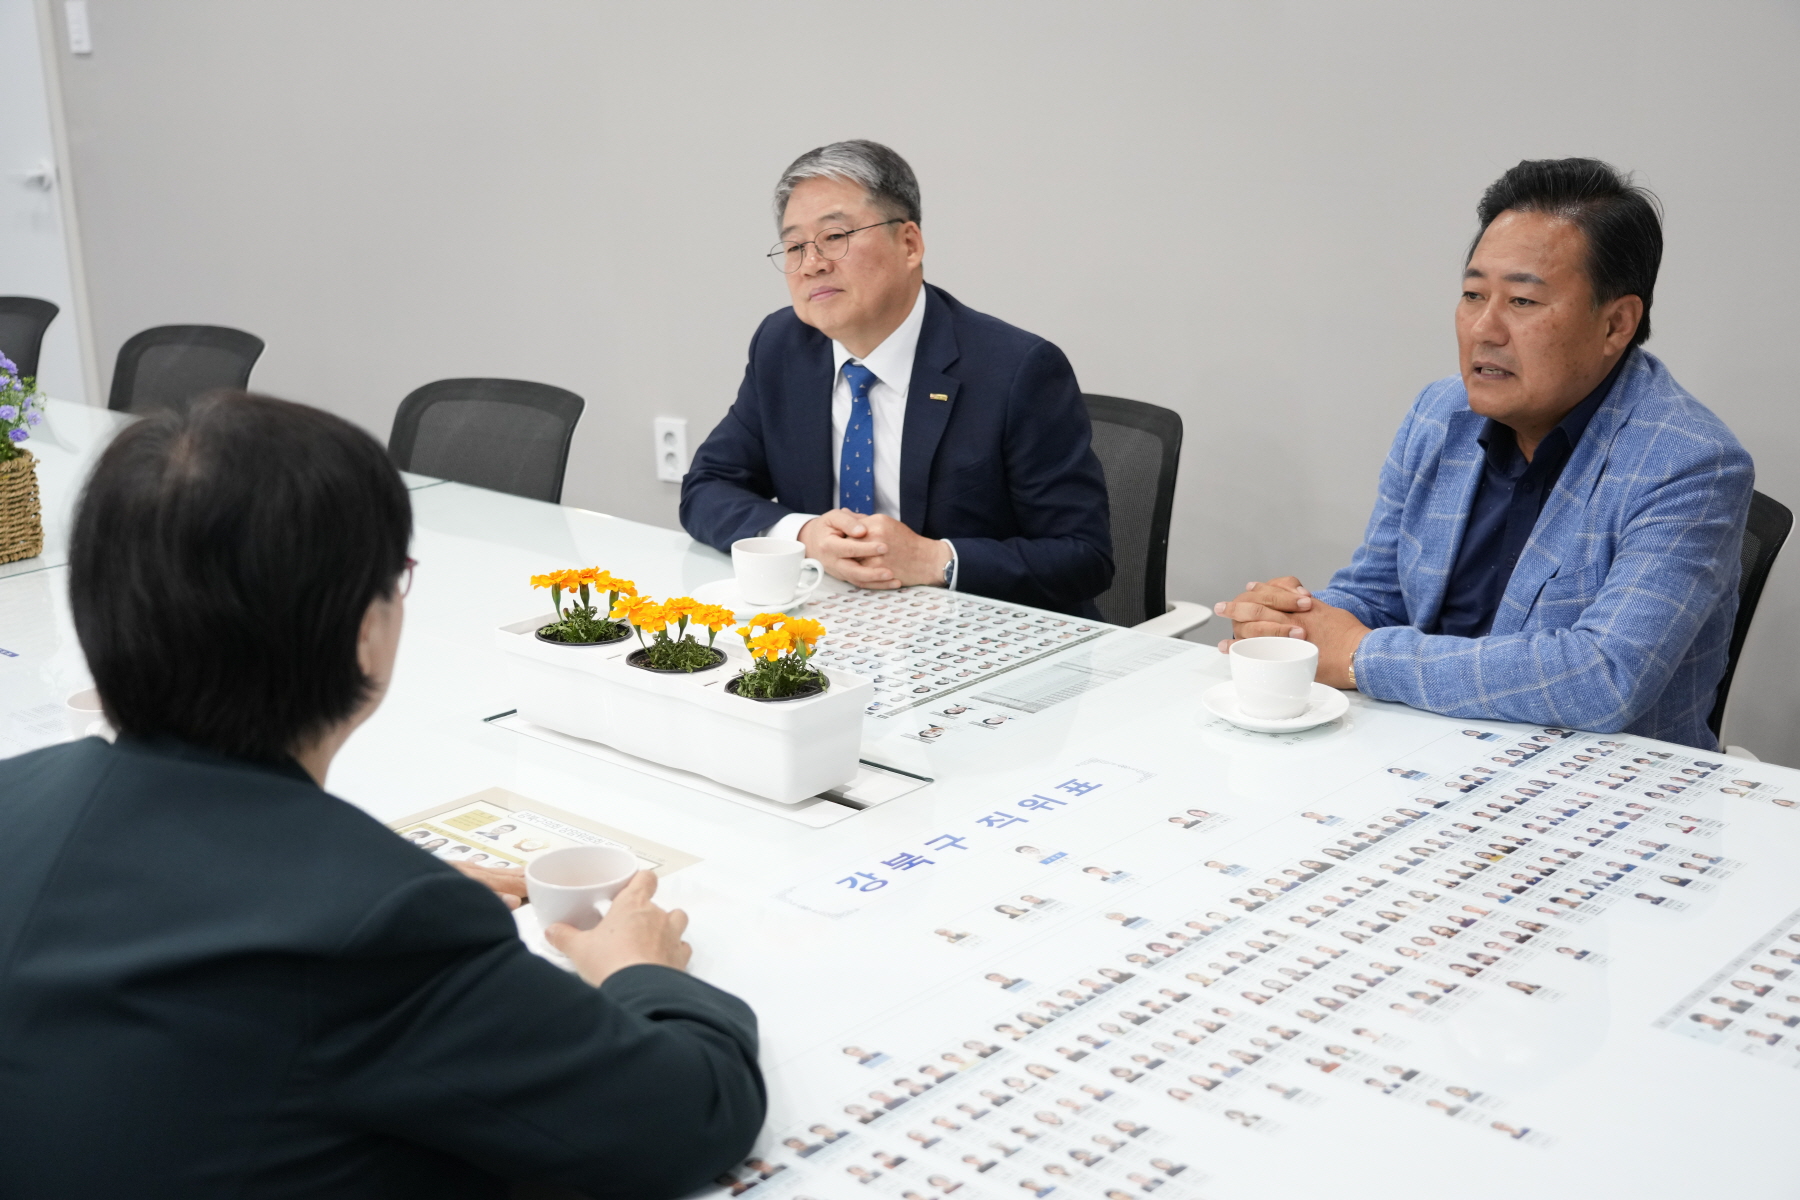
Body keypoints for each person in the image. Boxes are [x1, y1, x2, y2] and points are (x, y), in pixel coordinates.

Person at [0, 394, 765, 1197]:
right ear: (366, 628)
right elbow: (688, 1115)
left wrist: (364, 887)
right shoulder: (379, 931)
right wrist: (637, 970)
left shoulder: (17, 796)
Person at [1213, 158, 1752, 750]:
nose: (1484, 329)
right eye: (1473, 294)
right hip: (1423, 753)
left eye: (1522, 302)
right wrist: (1294, 622)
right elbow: (1378, 593)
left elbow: (1604, 676)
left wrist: (1360, 655)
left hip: (1599, 795)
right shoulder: (1439, 413)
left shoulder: (1690, 463)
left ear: (1616, 323)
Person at [680, 139, 1112, 616]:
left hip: (977, 636)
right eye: (795, 245)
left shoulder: (1016, 369)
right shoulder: (783, 346)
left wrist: (936, 560)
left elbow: (1084, 557)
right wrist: (804, 535)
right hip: (835, 624)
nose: (812, 263)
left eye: (835, 237)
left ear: (909, 244)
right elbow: (707, 487)